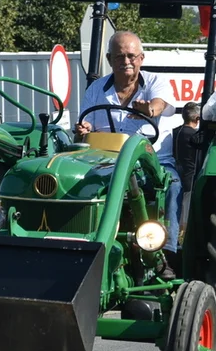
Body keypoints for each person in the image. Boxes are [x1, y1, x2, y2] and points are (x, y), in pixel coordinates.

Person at [77, 31, 181, 276]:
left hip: (152, 163)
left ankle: (164, 252)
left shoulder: (155, 82)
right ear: (109, 59)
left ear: (141, 58)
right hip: (106, 163)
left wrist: (150, 109)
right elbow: (84, 127)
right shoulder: (95, 89)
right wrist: (84, 129)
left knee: (173, 185)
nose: (127, 61)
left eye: (132, 56)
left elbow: (159, 104)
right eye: (120, 56)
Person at [173, 102, 201, 228]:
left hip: (177, 174)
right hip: (190, 177)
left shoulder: (175, 131)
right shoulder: (195, 136)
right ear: (197, 118)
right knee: (186, 215)